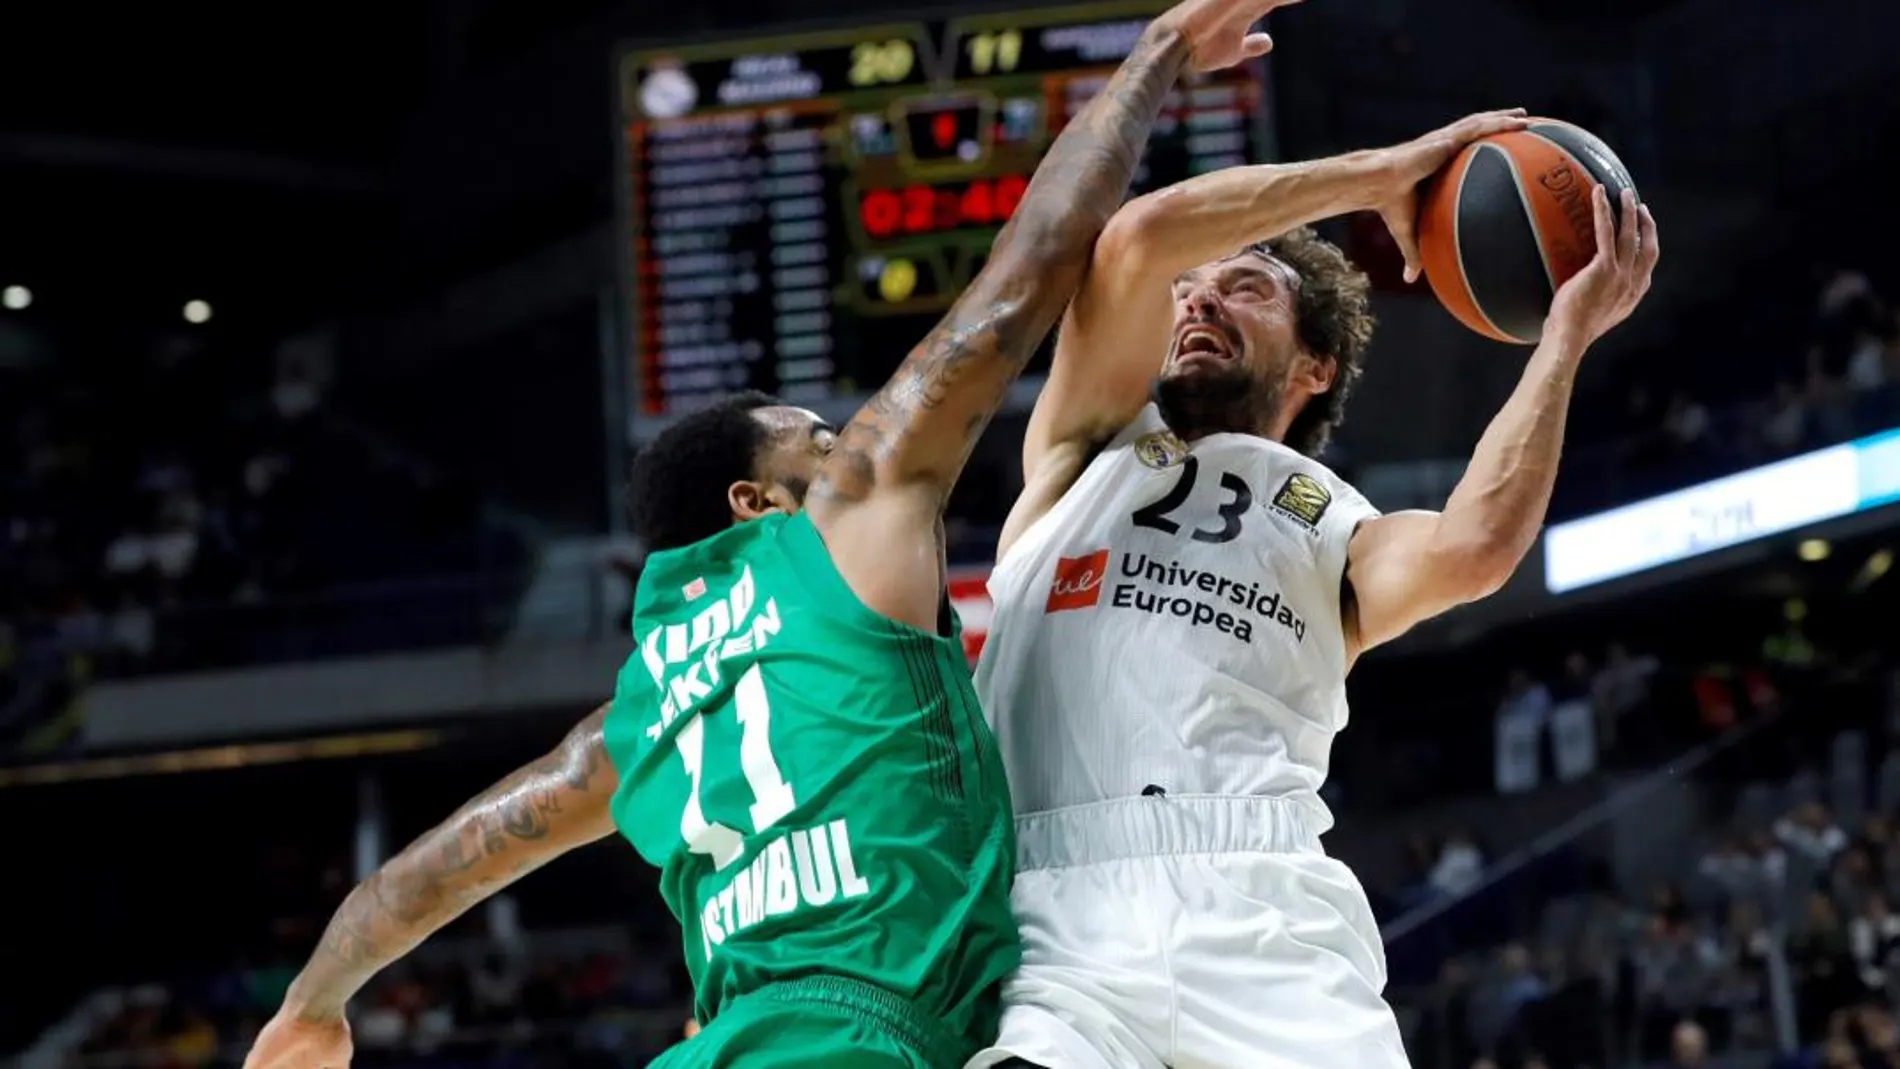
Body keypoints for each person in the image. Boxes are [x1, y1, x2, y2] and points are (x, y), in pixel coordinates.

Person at [238, 2, 1300, 1069]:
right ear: (756, 503)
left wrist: (314, 1004)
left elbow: (437, 869)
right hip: (854, 1042)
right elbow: (1024, 272)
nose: (846, 452)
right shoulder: (839, 540)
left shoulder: (631, 722)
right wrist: (1158, 53)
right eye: (819, 443)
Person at [968, 120, 1659, 1067]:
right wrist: (1377, 173)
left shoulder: (1343, 529)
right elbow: (1135, 239)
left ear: (1315, 365)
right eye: (1190, 289)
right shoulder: (1082, 446)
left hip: (1263, 907)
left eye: (1244, 285)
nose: (1199, 298)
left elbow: (1478, 546)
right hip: (1055, 915)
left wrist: (1567, 335)